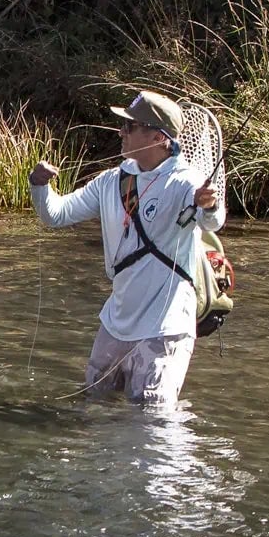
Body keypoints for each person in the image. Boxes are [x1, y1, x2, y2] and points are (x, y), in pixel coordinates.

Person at [28, 89, 224, 405]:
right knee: (94, 406)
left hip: (164, 329)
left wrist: (209, 204)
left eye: (130, 127)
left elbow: (212, 222)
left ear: (159, 138)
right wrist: (39, 186)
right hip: (115, 324)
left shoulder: (186, 182)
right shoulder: (110, 181)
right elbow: (56, 215)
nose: (122, 132)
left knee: (152, 424)